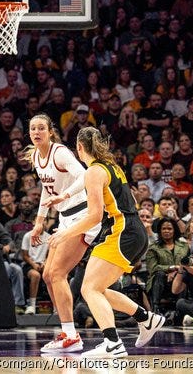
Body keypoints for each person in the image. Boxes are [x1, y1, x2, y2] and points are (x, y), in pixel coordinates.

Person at [48, 127, 163, 358]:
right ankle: (146, 318)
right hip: (135, 230)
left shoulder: (93, 171)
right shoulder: (112, 167)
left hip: (121, 231)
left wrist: (65, 233)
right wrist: (66, 196)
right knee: (98, 289)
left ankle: (113, 343)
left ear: (79, 148)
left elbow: (94, 216)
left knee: (89, 288)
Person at [28, 114, 102, 353]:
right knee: (48, 275)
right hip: (64, 216)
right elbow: (46, 191)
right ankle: (67, 331)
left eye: (41, 128)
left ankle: (72, 335)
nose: (36, 132)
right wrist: (39, 222)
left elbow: (84, 175)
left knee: (58, 273)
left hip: (82, 215)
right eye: (32, 129)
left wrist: (66, 195)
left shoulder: (60, 153)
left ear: (50, 132)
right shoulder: (36, 157)